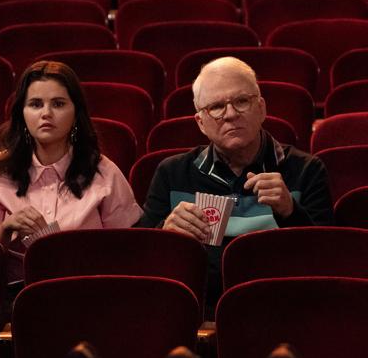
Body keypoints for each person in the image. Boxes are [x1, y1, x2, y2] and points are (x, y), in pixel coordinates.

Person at [138, 56, 333, 311]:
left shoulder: (306, 170)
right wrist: (166, 232)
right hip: (200, 311)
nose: (230, 115)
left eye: (241, 101)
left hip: (286, 307)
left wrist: (290, 212)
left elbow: (327, 261)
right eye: (217, 106)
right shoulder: (171, 173)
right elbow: (144, 263)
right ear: (201, 123)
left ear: (262, 108)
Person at [0, 60, 142, 280]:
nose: (46, 113)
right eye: (36, 104)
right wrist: (7, 227)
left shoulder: (105, 173)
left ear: (76, 113)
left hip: (87, 294)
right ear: (22, 112)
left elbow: (125, 257)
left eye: (58, 104)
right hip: (15, 298)